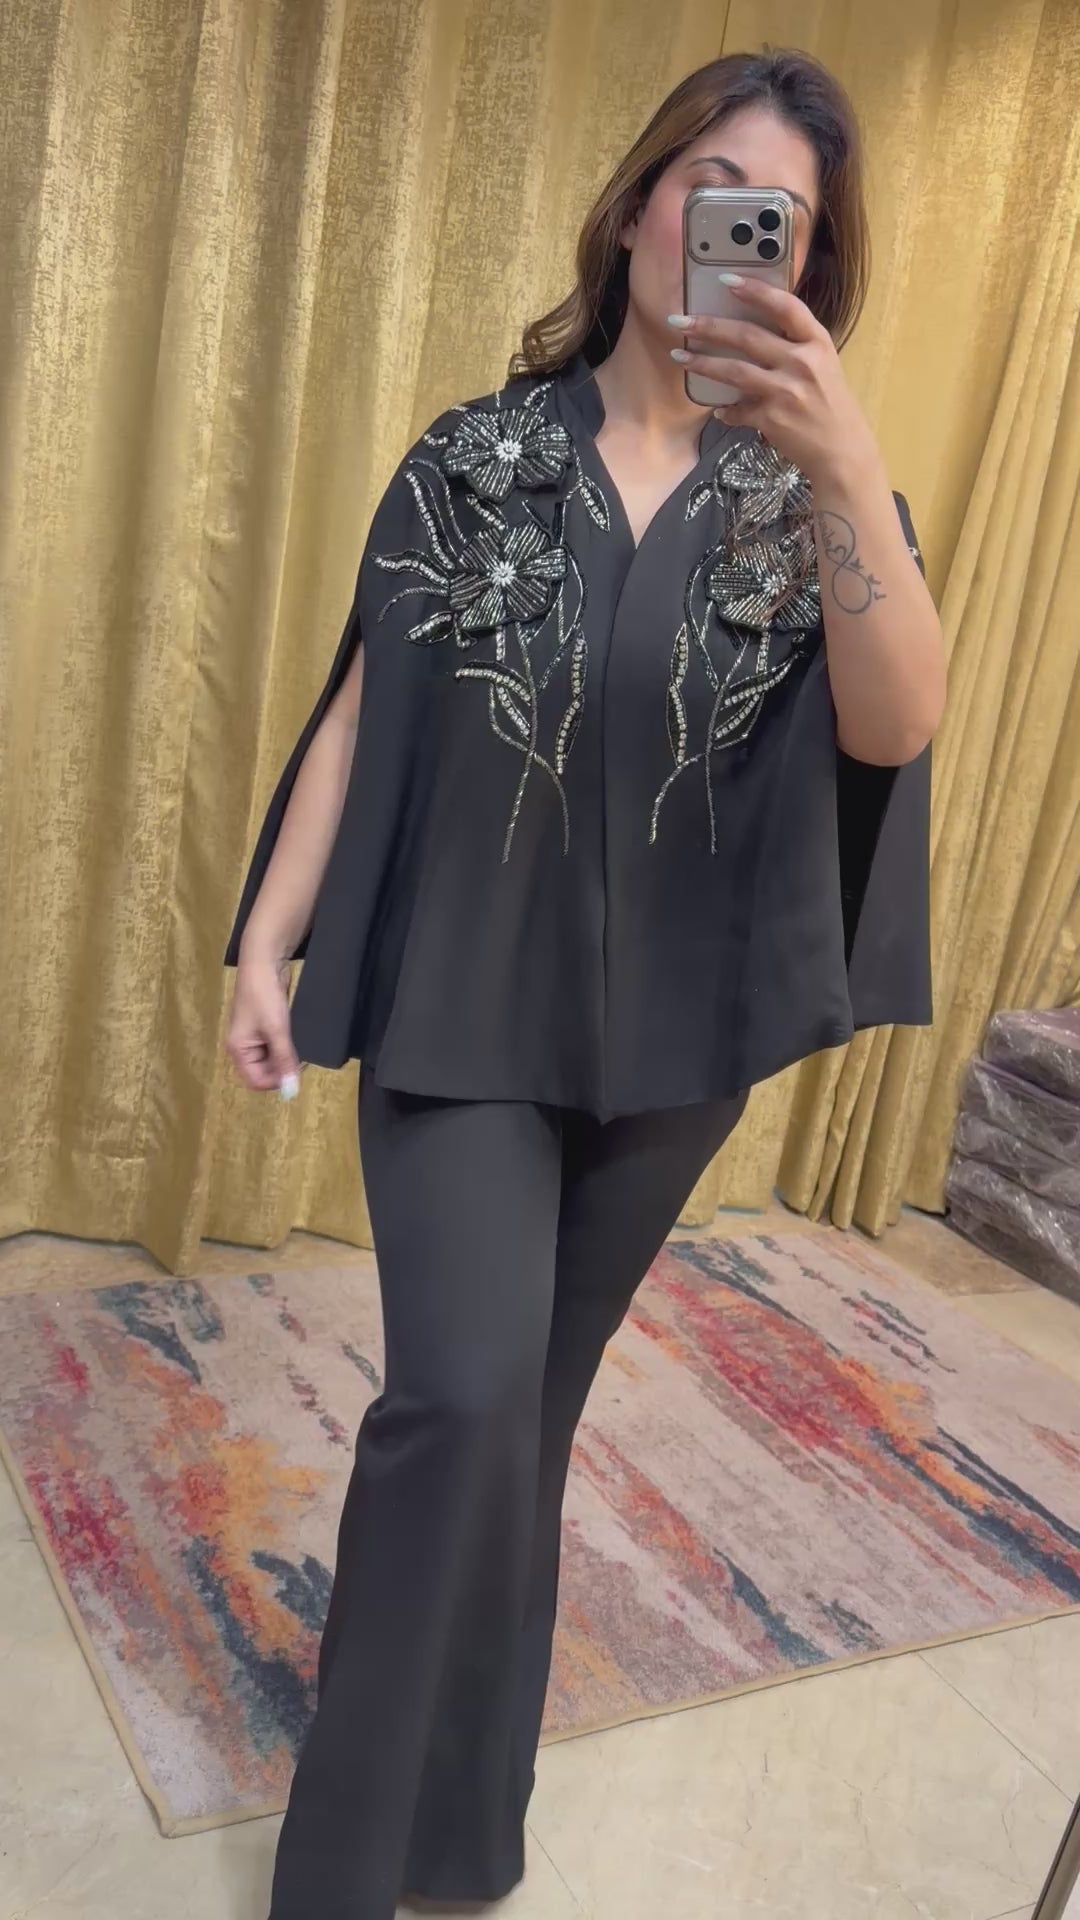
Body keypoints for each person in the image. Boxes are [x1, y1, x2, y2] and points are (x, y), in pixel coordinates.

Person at [224, 44, 945, 1920]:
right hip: (463, 1003)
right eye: (712, 187)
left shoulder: (811, 498)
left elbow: (897, 725)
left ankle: (460, 1842)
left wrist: (844, 460)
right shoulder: (477, 457)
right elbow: (364, 706)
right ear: (638, 207)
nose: (738, 232)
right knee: (458, 1406)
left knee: (525, 1422)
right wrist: (268, 937)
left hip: (674, 1040)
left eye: (783, 219)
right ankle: (338, 1877)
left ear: (811, 261)